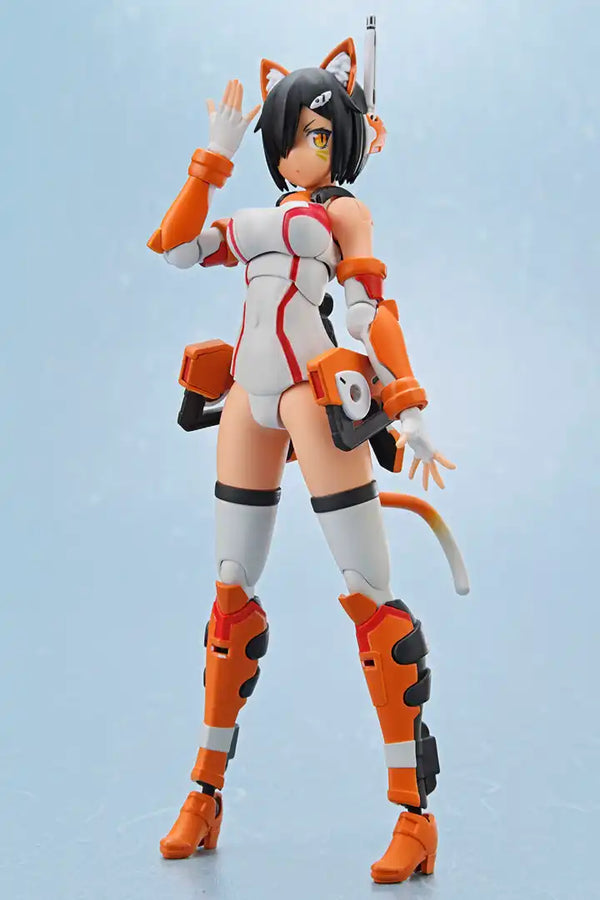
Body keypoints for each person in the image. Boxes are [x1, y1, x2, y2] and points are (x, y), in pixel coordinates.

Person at [147, 33, 459, 884]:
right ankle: (204, 794)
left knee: (371, 602)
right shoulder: (253, 221)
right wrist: (210, 160)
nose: (301, 150)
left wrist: (407, 402)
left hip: (309, 395)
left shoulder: (343, 215)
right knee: (229, 601)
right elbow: (174, 246)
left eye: (319, 135)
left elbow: (369, 311)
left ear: (346, 141)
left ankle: (414, 817)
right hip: (246, 397)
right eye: (291, 133)